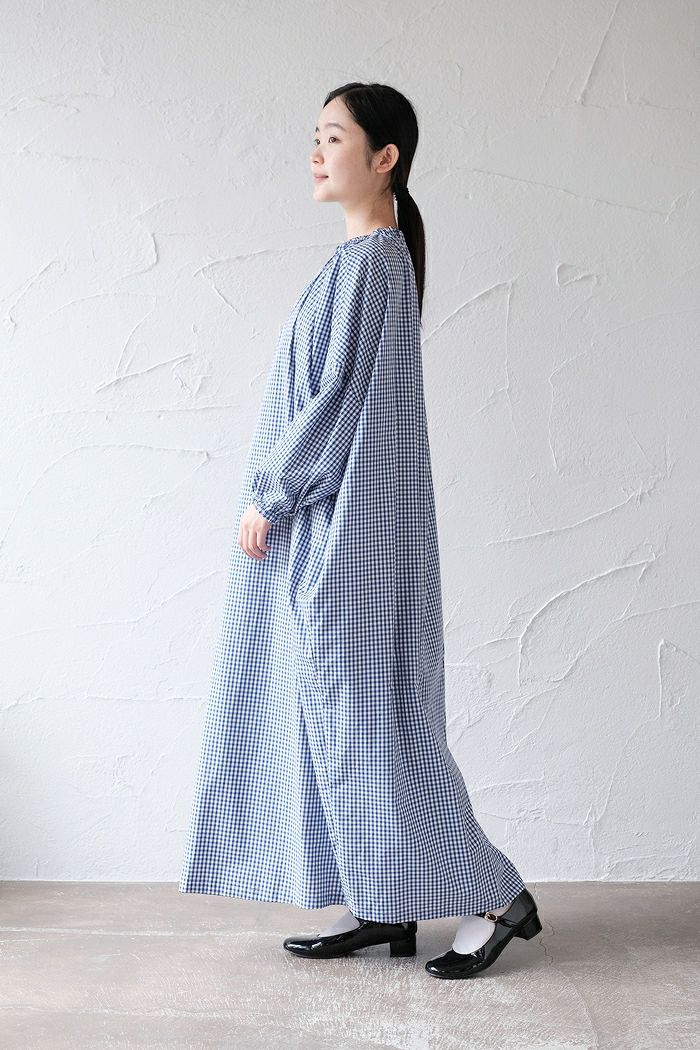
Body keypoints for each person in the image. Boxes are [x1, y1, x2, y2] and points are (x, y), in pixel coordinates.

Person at [178, 81, 541, 979]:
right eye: (315, 135)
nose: (316, 151)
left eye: (334, 137)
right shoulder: (359, 262)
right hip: (339, 531)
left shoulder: (374, 262)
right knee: (343, 720)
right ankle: (385, 900)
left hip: (348, 539)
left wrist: (271, 494)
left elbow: (335, 398)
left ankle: (498, 896)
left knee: (374, 724)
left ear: (385, 159)